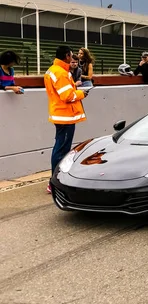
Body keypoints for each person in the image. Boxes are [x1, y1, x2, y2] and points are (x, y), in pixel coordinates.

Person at [44, 46, 89, 193]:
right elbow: (67, 96)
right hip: (65, 116)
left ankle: (56, 180)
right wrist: (82, 94)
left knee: (60, 148)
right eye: (71, 55)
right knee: (62, 149)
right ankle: (56, 182)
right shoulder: (61, 73)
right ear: (66, 56)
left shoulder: (53, 70)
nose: (72, 58)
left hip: (60, 114)